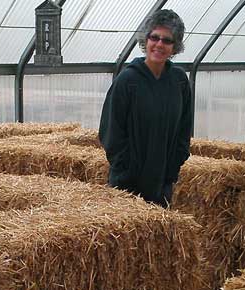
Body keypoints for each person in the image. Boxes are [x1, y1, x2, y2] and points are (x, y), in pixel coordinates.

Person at [98, 9, 192, 208]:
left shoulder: (179, 81)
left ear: (175, 47)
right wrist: (127, 170)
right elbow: (110, 131)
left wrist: (173, 166)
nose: (159, 44)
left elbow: (184, 128)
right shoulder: (128, 80)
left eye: (167, 40)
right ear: (145, 40)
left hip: (162, 184)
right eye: (154, 37)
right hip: (127, 186)